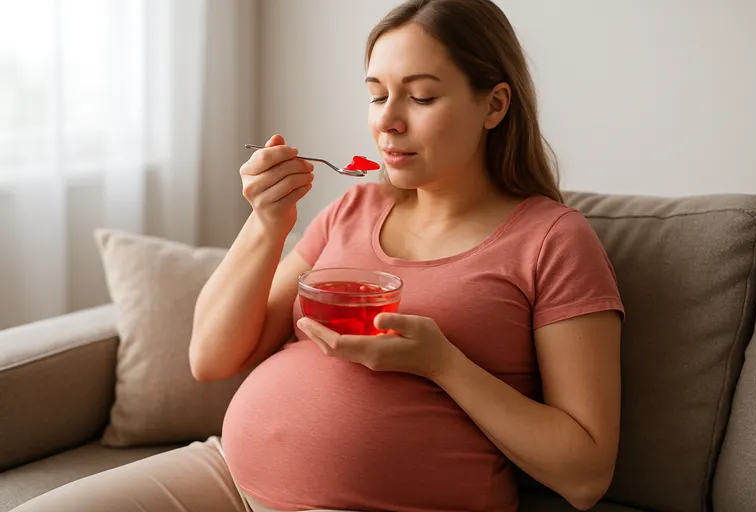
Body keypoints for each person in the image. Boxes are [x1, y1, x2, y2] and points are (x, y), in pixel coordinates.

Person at [13, 0, 623, 511]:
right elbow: (211, 356)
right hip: (226, 476)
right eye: (377, 94)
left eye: (421, 97)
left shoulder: (552, 240)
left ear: (494, 105)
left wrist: (444, 364)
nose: (389, 121)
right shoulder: (352, 209)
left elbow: (585, 474)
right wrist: (267, 223)